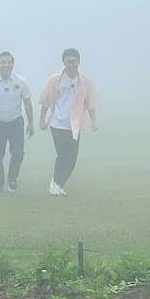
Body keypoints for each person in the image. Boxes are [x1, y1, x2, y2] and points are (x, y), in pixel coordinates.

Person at [38, 48, 98, 196]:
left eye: (74, 61)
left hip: (75, 124)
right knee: (62, 154)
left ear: (78, 62)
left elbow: (90, 102)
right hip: (57, 123)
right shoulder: (54, 80)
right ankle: (56, 185)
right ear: (63, 62)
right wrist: (42, 120)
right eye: (68, 61)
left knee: (72, 158)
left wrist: (94, 121)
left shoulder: (84, 81)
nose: (71, 64)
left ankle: (57, 183)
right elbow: (45, 100)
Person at [0, 51, 34, 192]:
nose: (6, 64)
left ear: (13, 64)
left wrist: (31, 123)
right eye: (3, 62)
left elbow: (27, 102)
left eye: (8, 62)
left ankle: (12, 178)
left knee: (18, 153)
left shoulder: (20, 81)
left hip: (16, 122)